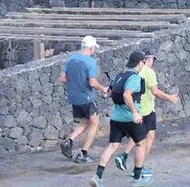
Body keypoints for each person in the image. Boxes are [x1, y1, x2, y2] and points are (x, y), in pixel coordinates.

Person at [89, 51, 151, 187]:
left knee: (112, 146)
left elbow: (109, 93)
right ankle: (136, 178)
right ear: (140, 63)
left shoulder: (119, 75)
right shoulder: (135, 78)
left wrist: (107, 95)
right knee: (141, 144)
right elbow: (127, 95)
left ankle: (97, 177)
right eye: (144, 62)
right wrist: (135, 112)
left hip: (116, 118)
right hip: (130, 119)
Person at [114, 50, 179, 178]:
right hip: (146, 111)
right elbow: (155, 92)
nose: (152, 62)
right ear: (148, 60)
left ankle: (124, 155)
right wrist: (170, 97)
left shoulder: (132, 71)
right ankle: (139, 167)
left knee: (138, 137)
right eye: (152, 60)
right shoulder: (149, 72)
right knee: (148, 138)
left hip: (135, 110)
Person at [60, 35, 108, 164]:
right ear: (92, 48)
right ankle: (83, 153)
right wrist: (103, 88)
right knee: (94, 122)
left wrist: (74, 84)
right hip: (86, 97)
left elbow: (63, 79)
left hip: (73, 97)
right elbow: (92, 83)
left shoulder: (71, 59)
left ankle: (69, 140)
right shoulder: (90, 62)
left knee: (86, 122)